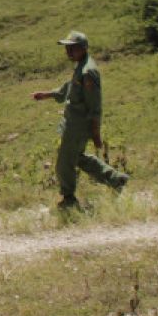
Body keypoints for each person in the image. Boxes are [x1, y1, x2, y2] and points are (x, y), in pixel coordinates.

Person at [32, 31, 129, 209]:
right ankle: (115, 179)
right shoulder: (80, 67)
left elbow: (94, 105)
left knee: (64, 163)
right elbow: (70, 89)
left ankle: (69, 199)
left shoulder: (88, 71)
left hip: (78, 126)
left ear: (83, 48)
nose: (68, 52)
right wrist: (48, 94)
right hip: (72, 123)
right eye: (67, 48)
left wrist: (96, 132)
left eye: (73, 48)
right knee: (79, 158)